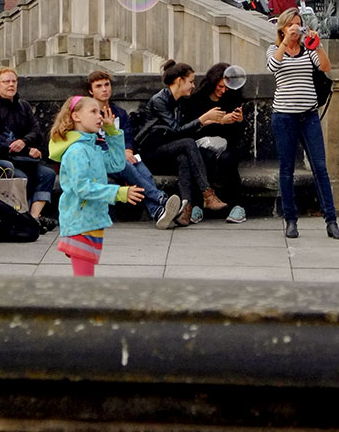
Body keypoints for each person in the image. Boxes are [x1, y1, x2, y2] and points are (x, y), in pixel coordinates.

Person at [266, 8, 339, 240]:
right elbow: (272, 66)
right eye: (291, 24)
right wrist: (284, 43)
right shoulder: (274, 48)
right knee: (286, 169)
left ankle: (331, 221)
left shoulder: (307, 49)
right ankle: (291, 220)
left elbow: (326, 67)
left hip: (309, 116)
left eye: (298, 24)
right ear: (282, 28)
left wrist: (317, 45)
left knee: (320, 168)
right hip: (284, 117)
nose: (296, 28)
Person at [49, 93, 146, 276]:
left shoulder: (92, 147)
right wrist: (118, 193)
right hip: (79, 222)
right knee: (84, 282)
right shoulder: (76, 151)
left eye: (100, 112)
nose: (99, 116)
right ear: (76, 116)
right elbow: (82, 188)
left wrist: (112, 133)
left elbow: (117, 164)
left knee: (85, 280)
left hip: (91, 220)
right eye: (93, 111)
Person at [135, 61, 232, 225]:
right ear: (179, 81)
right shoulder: (160, 100)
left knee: (184, 158)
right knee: (187, 143)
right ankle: (207, 194)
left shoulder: (180, 101)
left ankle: (186, 208)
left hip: (168, 150)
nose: (193, 86)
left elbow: (185, 131)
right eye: (191, 81)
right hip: (150, 152)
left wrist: (208, 122)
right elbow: (177, 130)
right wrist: (202, 119)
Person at [87, 68, 180, 227]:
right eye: (99, 86)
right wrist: (119, 154)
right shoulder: (88, 114)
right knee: (127, 167)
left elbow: (128, 135)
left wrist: (127, 150)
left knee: (144, 172)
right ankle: (160, 198)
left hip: (122, 155)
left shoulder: (119, 113)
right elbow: (94, 140)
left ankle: (158, 213)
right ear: (90, 91)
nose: (104, 89)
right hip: (101, 159)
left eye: (107, 85)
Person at [0, 67, 60, 230]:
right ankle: (22, 218)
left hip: (26, 158)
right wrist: (26, 149)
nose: (11, 85)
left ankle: (34, 218)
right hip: (6, 160)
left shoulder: (23, 106)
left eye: (14, 81)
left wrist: (25, 142)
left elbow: (36, 131)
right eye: (6, 82)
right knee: (21, 177)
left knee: (47, 174)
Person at [182, 64, 248, 223]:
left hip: (227, 145)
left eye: (226, 87)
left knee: (228, 159)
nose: (223, 90)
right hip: (203, 144)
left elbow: (236, 136)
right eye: (219, 86)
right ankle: (198, 205)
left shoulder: (232, 99)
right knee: (204, 157)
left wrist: (238, 121)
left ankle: (237, 205)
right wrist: (218, 121)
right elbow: (193, 129)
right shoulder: (197, 100)